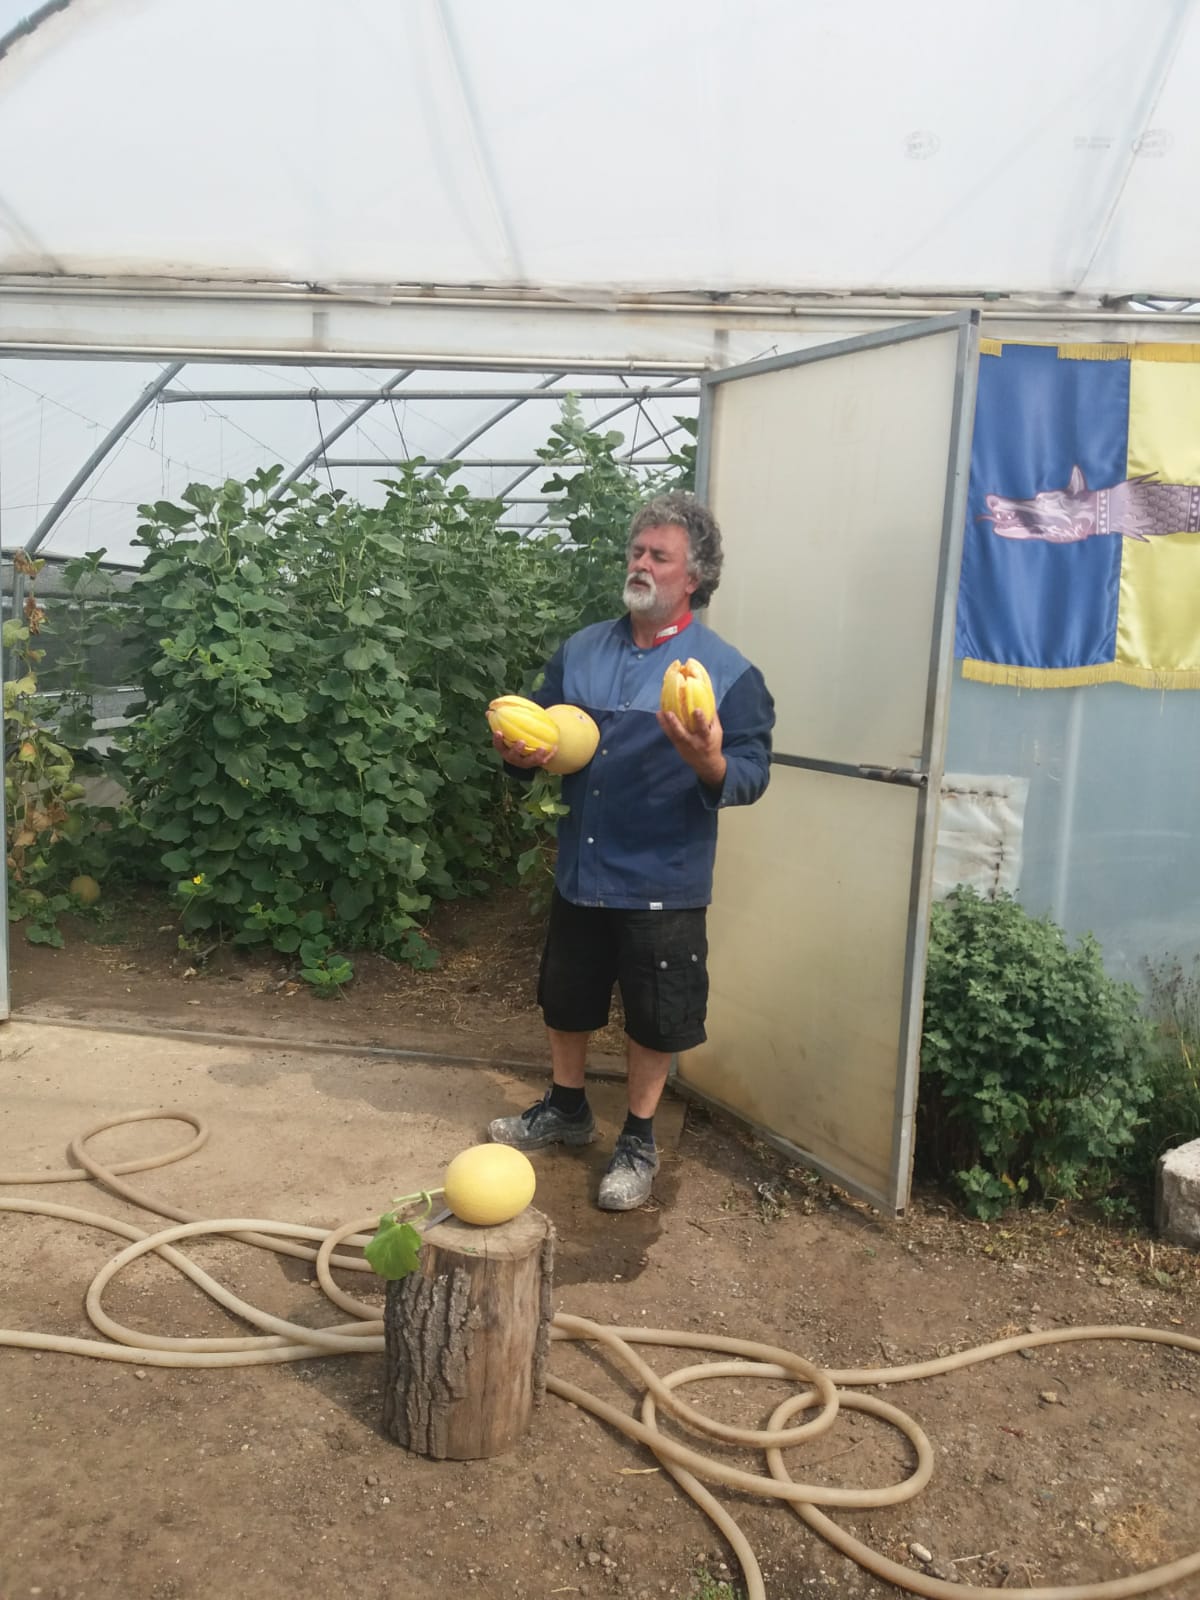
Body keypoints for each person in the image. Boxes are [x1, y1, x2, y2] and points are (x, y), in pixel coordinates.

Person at [487, 490, 775, 1210]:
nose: (640, 564)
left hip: (662, 880)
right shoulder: (581, 649)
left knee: (656, 1013)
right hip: (581, 869)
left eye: (659, 556)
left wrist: (710, 760)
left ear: (695, 577)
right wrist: (517, 753)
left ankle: (639, 1138)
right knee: (567, 996)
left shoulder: (725, 673)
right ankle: (566, 1108)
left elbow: (751, 773)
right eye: (636, 551)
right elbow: (538, 733)